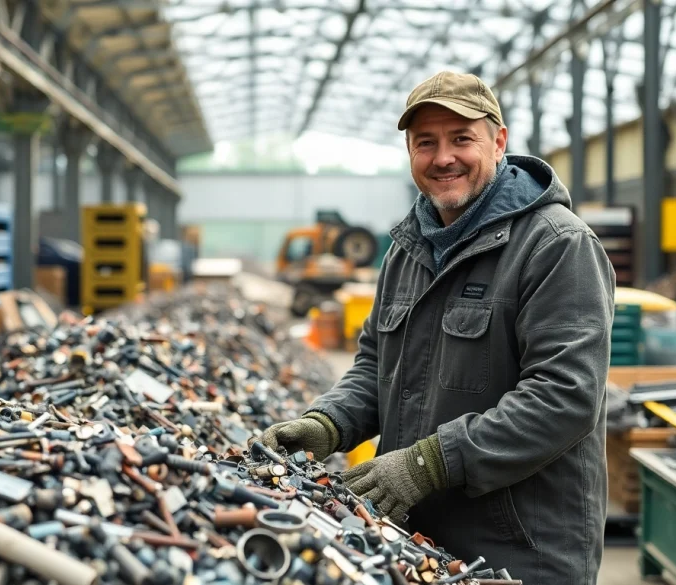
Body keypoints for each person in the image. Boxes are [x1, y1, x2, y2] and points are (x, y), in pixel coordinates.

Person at [253, 71, 615, 584]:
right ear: (410, 152)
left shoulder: (555, 246)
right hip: (415, 540)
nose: (443, 157)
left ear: (499, 142)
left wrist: (428, 464)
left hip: (519, 551)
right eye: (427, 143)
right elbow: (378, 366)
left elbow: (564, 397)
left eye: (462, 138)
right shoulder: (406, 249)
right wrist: (328, 425)